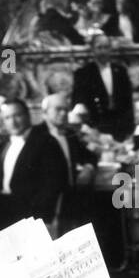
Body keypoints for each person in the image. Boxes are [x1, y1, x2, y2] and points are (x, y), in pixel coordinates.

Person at [0, 99, 67, 234]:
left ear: (27, 115)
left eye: (17, 116)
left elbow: (54, 184)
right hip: (2, 210)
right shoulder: (8, 142)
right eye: (7, 117)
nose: (13, 122)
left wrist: (43, 218)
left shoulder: (46, 142)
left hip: (28, 213)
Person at [32, 91, 97, 234]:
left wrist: (88, 168)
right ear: (45, 112)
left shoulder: (69, 134)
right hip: (44, 208)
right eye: (58, 109)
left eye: (65, 110)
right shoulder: (34, 135)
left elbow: (89, 156)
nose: (63, 113)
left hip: (69, 203)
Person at [71, 34, 134, 139]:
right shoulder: (83, 73)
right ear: (93, 50)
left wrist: (128, 125)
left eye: (106, 47)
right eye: (99, 48)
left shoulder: (120, 71)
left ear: (110, 49)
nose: (103, 52)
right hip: (96, 124)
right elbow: (78, 101)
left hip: (119, 124)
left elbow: (128, 100)